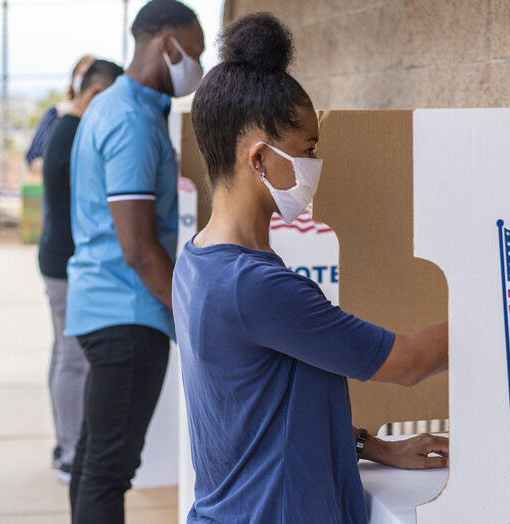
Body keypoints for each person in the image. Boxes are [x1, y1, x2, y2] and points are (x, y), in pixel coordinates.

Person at [173, 12, 449, 524]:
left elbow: (262, 411)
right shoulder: (256, 287)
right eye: (308, 149)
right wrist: (498, 320)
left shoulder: (198, 262)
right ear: (258, 159)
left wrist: (371, 445)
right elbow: (408, 364)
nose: (315, 164)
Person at [64, 1, 204, 522]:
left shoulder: (122, 107)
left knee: (94, 461)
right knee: (108, 470)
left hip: (106, 307)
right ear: (166, 44)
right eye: (195, 50)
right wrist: (192, 315)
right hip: (127, 313)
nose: (199, 64)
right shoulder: (130, 122)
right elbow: (141, 250)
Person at [39, 59, 124, 484]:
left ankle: (63, 444)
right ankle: (71, 452)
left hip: (56, 258)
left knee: (63, 354)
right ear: (93, 95)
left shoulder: (63, 127)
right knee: (73, 359)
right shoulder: (74, 135)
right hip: (64, 263)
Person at [25, 54, 96, 174]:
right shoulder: (56, 113)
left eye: (88, 75)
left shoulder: (101, 117)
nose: (84, 80)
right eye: (81, 75)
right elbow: (32, 157)